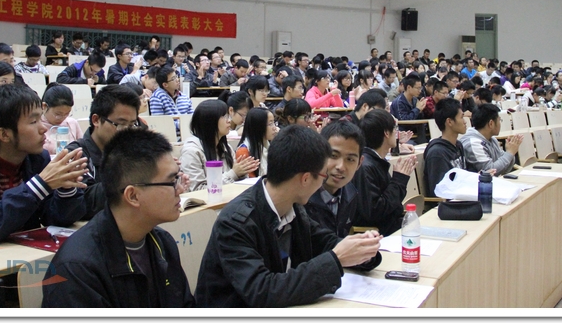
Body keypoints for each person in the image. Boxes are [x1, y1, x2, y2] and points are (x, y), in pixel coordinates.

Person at [195, 125, 381, 307]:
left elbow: (324, 242)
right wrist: (337, 258)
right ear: (305, 179)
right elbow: (262, 291)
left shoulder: (292, 207)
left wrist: (362, 250)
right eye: (323, 175)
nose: (325, 180)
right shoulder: (235, 222)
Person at [0, 84, 87, 307]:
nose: (43, 128)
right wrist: (41, 185)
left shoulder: (37, 159)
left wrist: (66, 186)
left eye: (41, 118)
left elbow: (56, 219)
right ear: (4, 134)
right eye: (33, 121)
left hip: (18, 265)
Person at [42, 128, 195, 308]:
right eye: (172, 181)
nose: (180, 189)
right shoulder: (77, 268)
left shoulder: (162, 243)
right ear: (133, 196)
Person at [65, 84, 141, 220]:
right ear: (96, 120)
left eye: (132, 125)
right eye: (120, 124)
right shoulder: (77, 155)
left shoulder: (130, 152)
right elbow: (82, 205)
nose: (127, 132)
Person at [349, 109, 415, 237]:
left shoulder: (376, 160)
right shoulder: (365, 167)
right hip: (379, 236)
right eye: (395, 129)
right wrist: (399, 181)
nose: (397, 133)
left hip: (391, 228)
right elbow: (374, 211)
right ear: (386, 133)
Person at [180, 100, 257, 191]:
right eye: (224, 117)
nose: (229, 121)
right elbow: (198, 190)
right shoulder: (191, 151)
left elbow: (235, 183)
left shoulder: (226, 148)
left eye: (228, 116)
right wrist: (233, 173)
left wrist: (242, 172)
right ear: (210, 121)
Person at [422, 98, 467, 201]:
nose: (465, 122)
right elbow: (439, 193)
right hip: (448, 205)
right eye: (461, 117)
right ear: (449, 122)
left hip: (461, 198)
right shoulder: (437, 153)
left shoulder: (458, 145)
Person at [459, 104, 521, 175]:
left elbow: (504, 168)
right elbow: (490, 171)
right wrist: (510, 153)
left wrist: (510, 152)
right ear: (491, 124)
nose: (500, 123)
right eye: (499, 120)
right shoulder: (473, 144)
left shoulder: (492, 139)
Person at [40, 83, 83, 155]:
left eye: (67, 114)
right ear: (44, 106)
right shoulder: (37, 126)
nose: (62, 118)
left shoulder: (72, 123)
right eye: (58, 114)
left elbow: (83, 148)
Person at [235, 108, 277, 177]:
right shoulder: (243, 151)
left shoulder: (269, 146)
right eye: (270, 124)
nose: (274, 128)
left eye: (274, 123)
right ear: (258, 126)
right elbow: (250, 180)